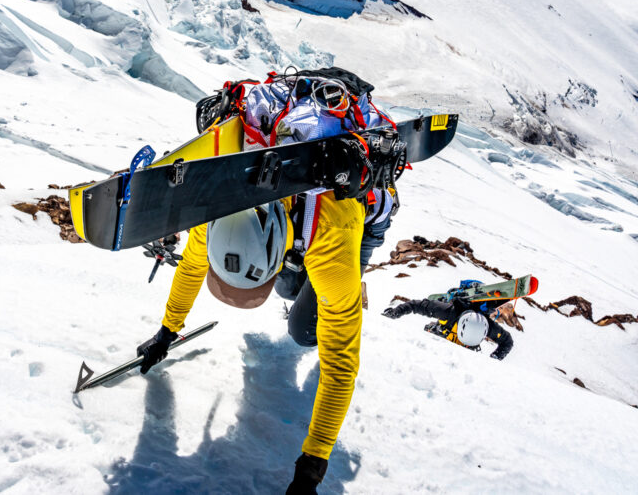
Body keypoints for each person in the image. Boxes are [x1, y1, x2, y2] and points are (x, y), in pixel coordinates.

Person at [136, 193, 365, 495]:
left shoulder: (333, 243)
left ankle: (347, 287)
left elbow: (339, 366)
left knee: (303, 332)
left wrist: (312, 468)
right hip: (298, 236)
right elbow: (192, 267)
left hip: (346, 223)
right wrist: (167, 331)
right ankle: (304, 285)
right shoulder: (222, 210)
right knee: (287, 288)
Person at [382, 294, 514, 360]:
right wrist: (395, 312)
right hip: (440, 336)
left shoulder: (489, 326)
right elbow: (416, 305)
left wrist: (495, 358)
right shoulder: (448, 311)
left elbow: (507, 342)